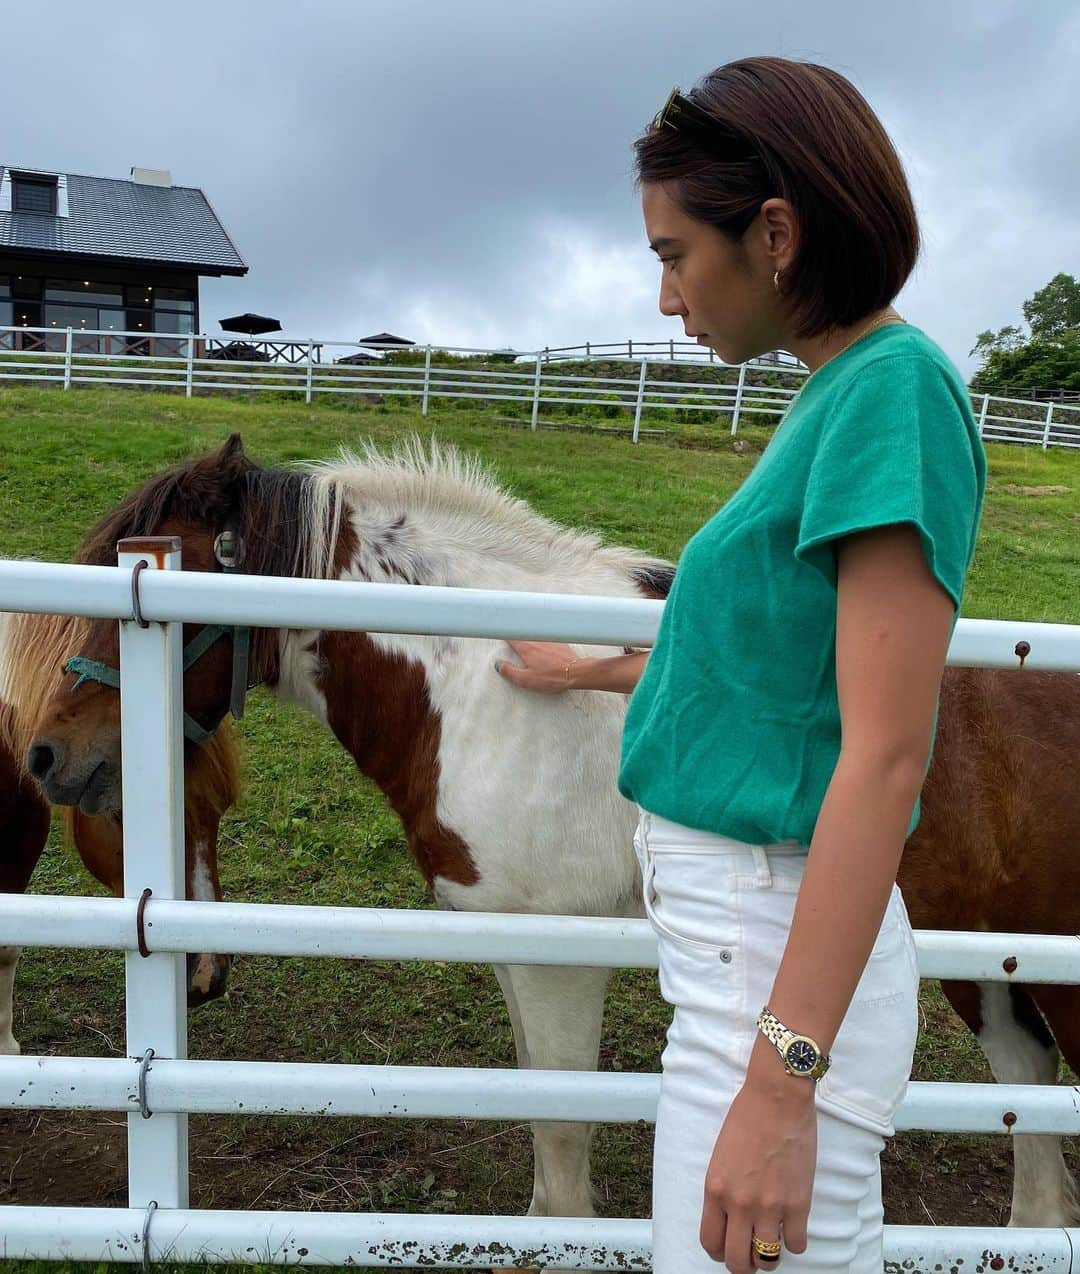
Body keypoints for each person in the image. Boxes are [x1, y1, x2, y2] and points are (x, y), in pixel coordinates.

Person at [493, 56, 986, 1274]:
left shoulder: (892, 396)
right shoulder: (841, 391)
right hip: (748, 954)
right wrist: (599, 674)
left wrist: (779, 1085)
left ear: (773, 233)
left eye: (673, 254)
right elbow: (780, 676)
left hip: (771, 965)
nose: (666, 296)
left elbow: (880, 757)